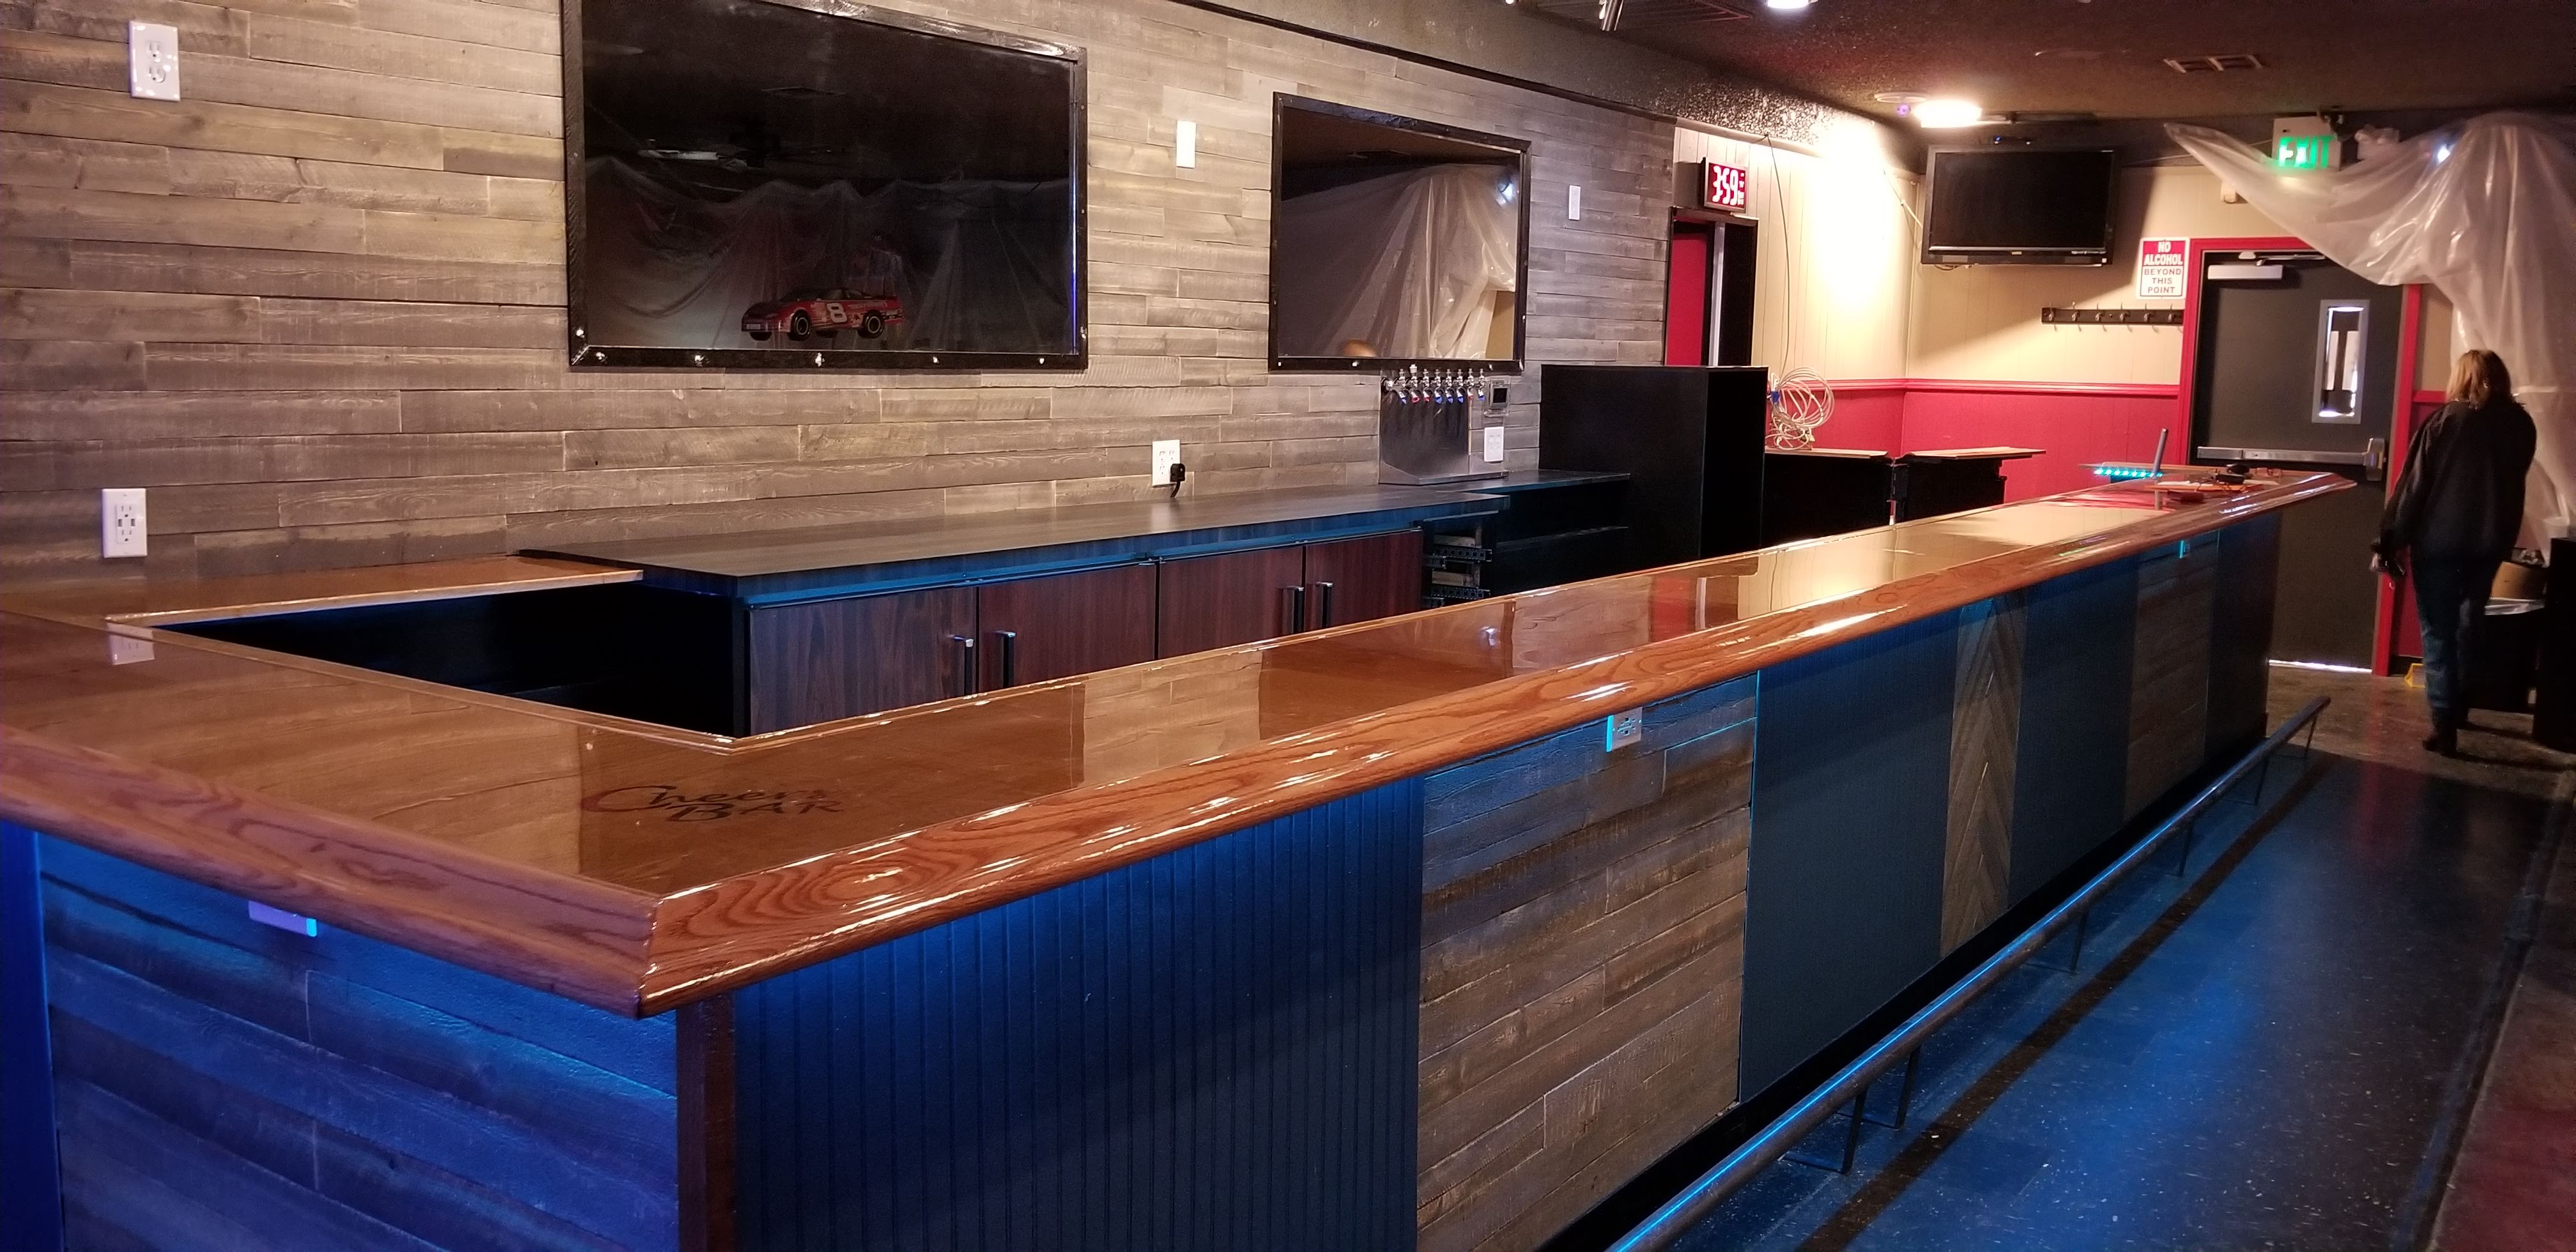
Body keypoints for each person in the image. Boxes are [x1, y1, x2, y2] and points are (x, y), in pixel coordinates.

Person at [2374, 349, 2538, 756]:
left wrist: (2389, 541)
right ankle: (2461, 705)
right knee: (2470, 624)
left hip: (2439, 542)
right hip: (2491, 542)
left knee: (2438, 630)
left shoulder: (2445, 421)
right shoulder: (2521, 425)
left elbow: (2413, 488)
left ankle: (2444, 723)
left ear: (2462, 377)